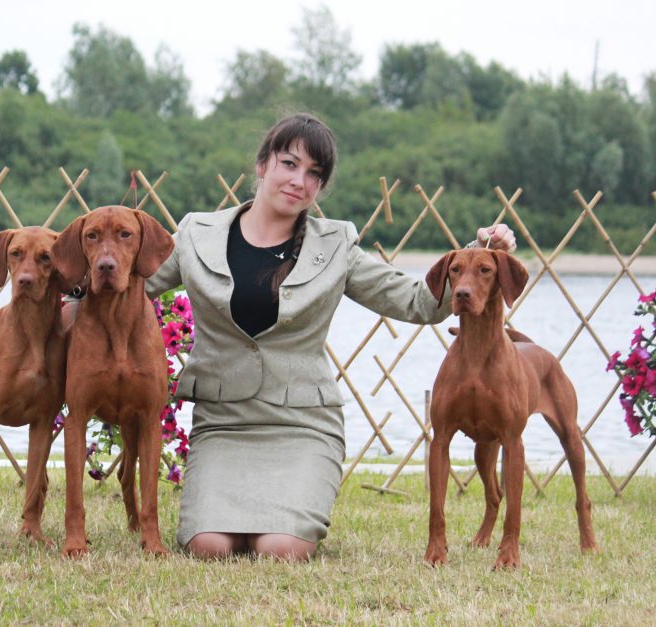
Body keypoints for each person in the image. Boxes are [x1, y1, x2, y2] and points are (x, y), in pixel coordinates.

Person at [145, 112, 516, 561]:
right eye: (289, 163)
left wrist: (476, 255)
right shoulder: (196, 235)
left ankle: (289, 510)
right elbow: (128, 285)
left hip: (302, 424)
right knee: (209, 547)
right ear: (262, 165)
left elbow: (417, 300)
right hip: (224, 424)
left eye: (314, 173)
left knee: (279, 550)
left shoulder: (335, 245)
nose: (299, 180)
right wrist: (64, 286)